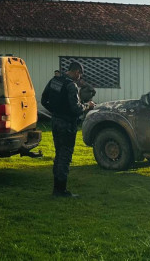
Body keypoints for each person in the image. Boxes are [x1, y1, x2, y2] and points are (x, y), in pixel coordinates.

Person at [41, 61, 95, 198]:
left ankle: (56, 188)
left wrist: (55, 112)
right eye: (80, 75)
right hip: (67, 125)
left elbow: (43, 100)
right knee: (65, 157)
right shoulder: (71, 85)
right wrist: (88, 105)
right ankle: (61, 190)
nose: (80, 78)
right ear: (76, 72)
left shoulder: (55, 80)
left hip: (55, 122)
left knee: (58, 155)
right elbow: (76, 109)